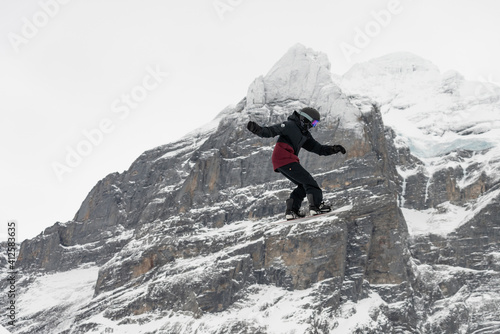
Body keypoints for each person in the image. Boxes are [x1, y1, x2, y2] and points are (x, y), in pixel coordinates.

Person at [246, 107, 346, 220]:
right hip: (284, 159)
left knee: (303, 186)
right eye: (313, 122)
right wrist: (256, 129)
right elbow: (270, 131)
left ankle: (292, 211)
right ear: (305, 119)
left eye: (315, 123)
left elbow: (318, 149)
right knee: (310, 182)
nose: (313, 125)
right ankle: (316, 206)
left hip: (285, 160)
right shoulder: (289, 125)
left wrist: (334, 149)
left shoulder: (305, 135)